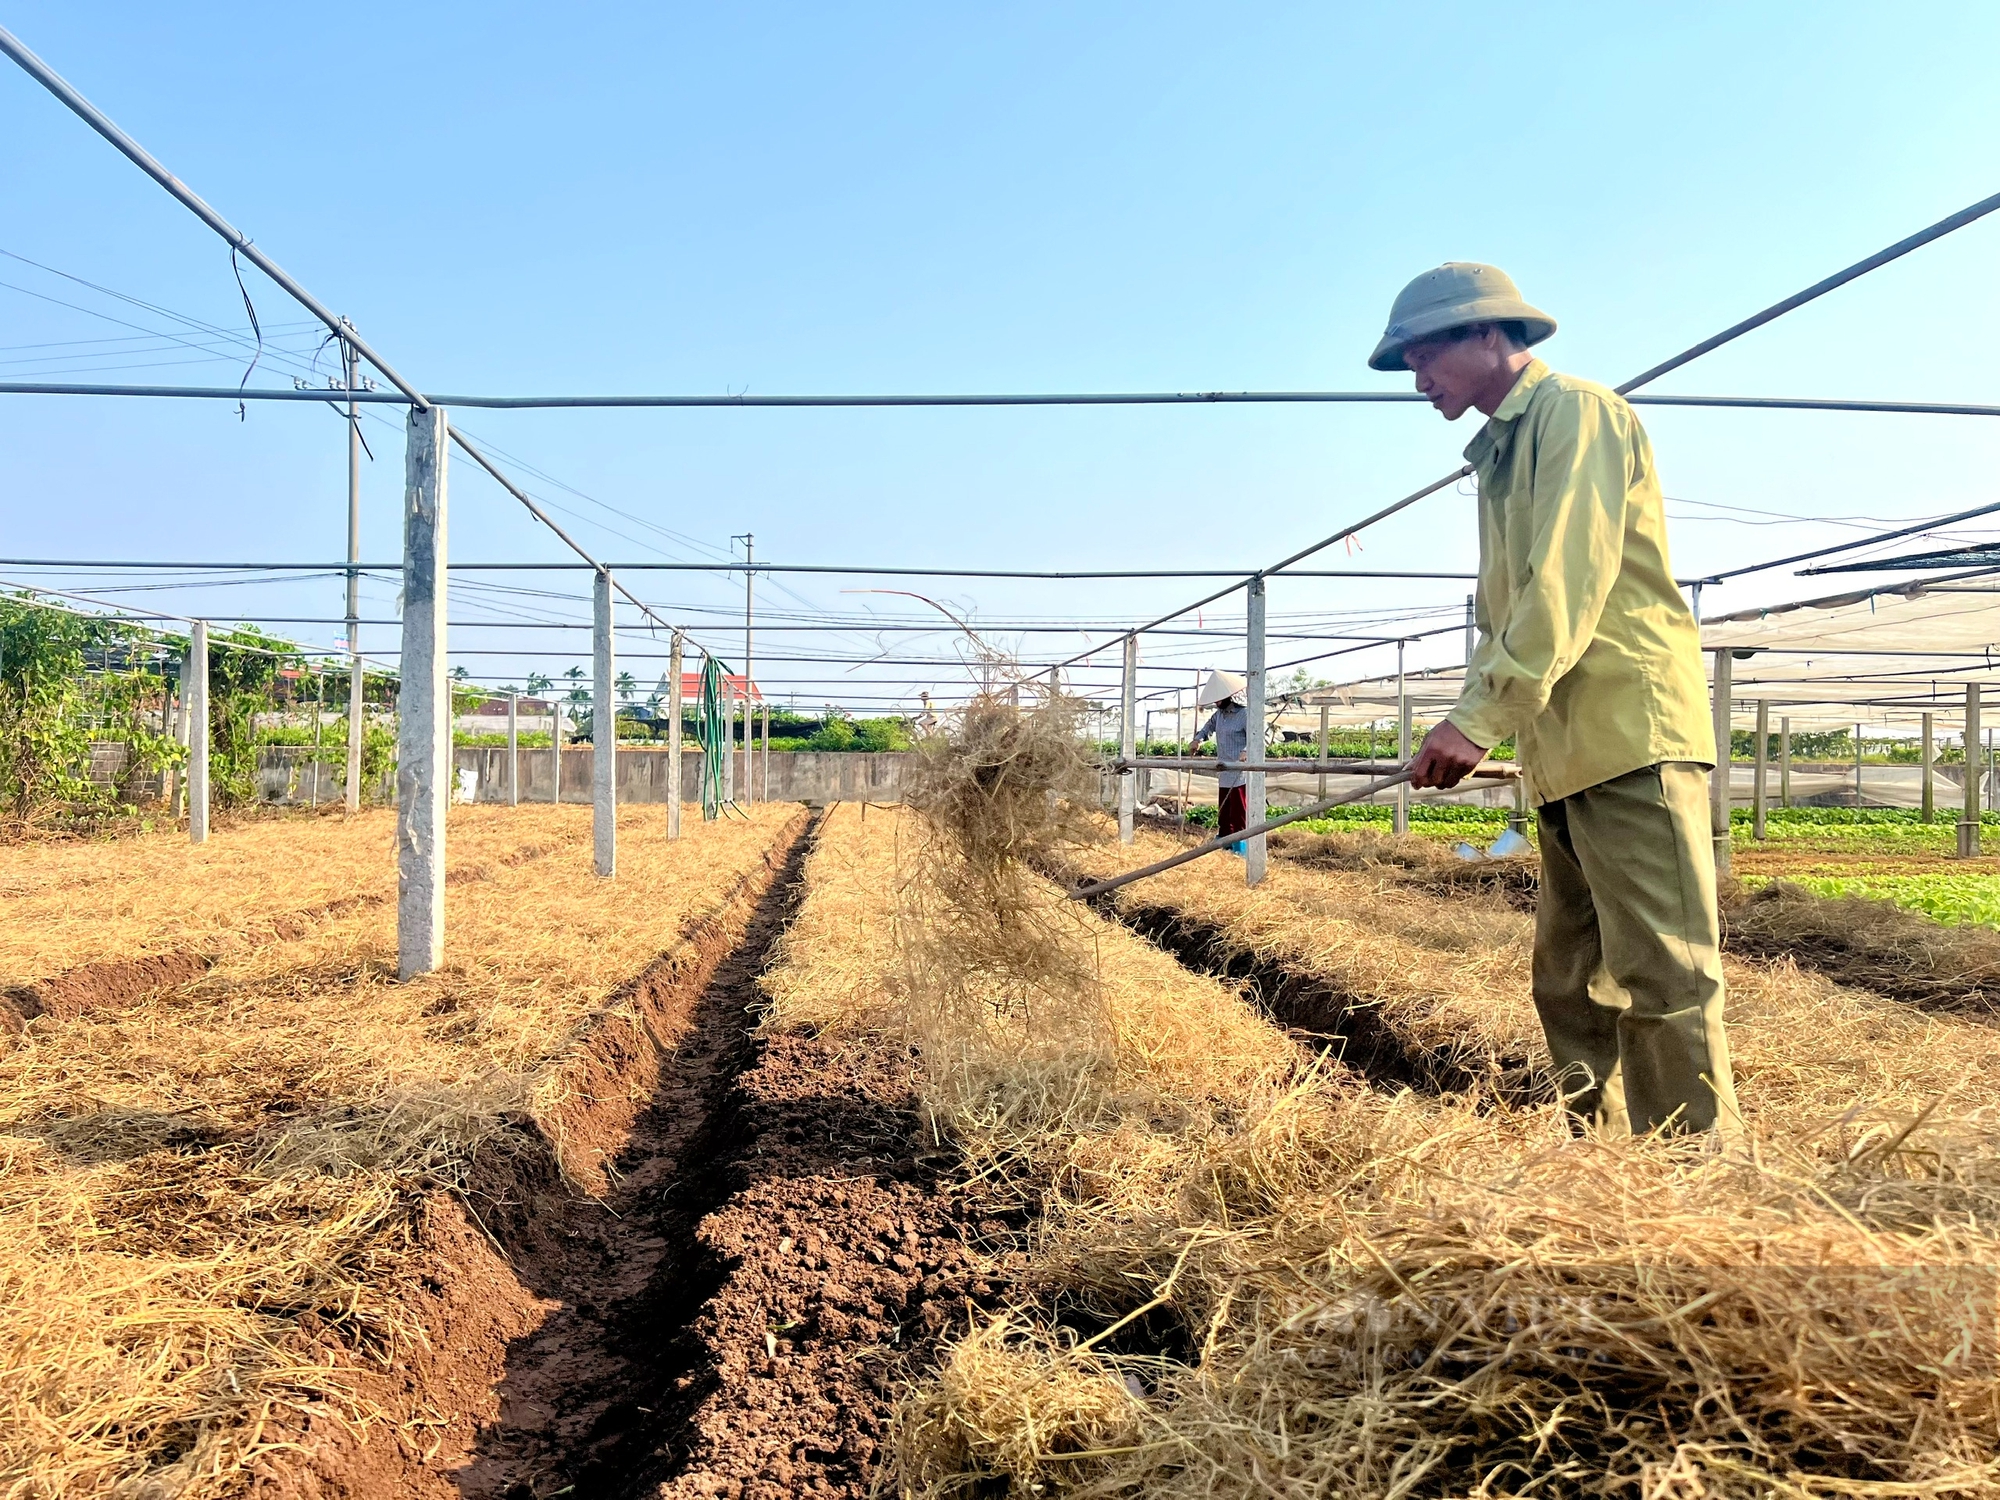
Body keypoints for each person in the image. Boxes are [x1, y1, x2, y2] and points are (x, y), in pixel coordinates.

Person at [1371, 262, 1738, 1138]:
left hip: (1627, 734)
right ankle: (1596, 1162)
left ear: (1488, 335)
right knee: (1569, 982)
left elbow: (1565, 584)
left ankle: (1699, 1184)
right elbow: (1510, 615)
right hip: (1564, 748)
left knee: (1663, 974)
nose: (1419, 381)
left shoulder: (1577, 414)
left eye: (1426, 357)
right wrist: (1487, 716)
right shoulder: (1500, 454)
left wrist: (1479, 716)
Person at [1190, 670, 1251, 853]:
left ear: (1228, 697)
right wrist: (1197, 740)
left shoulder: (1244, 714)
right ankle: (1225, 843)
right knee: (1224, 811)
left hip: (1240, 772)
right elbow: (1207, 729)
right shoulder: (1219, 716)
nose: (1216, 703)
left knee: (1239, 811)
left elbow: (1256, 737)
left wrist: (1246, 751)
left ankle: (1240, 845)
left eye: (1219, 700)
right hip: (1224, 770)